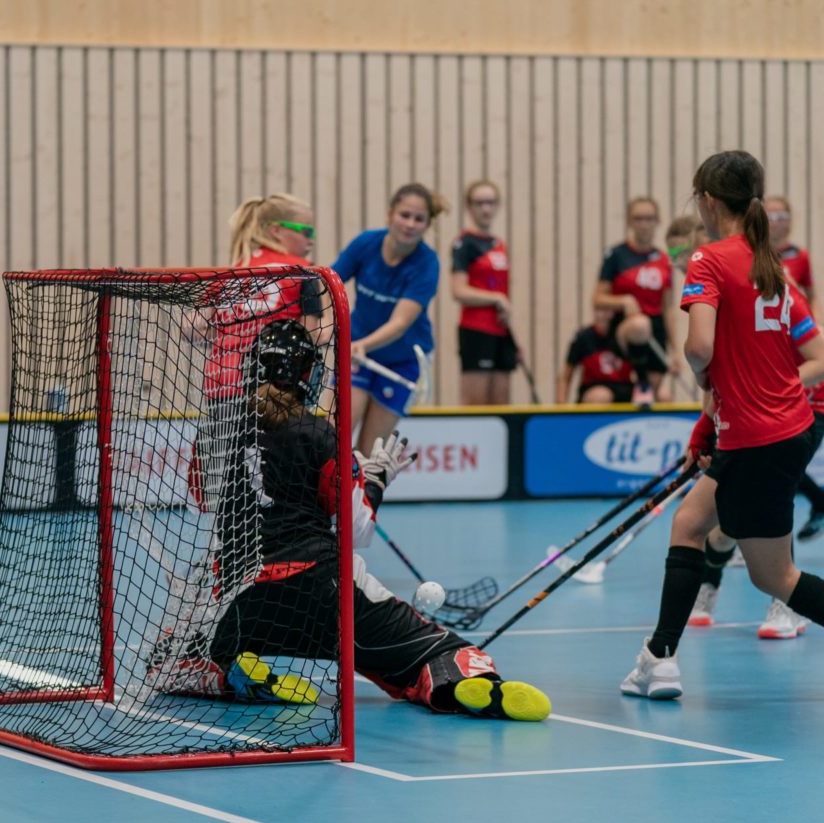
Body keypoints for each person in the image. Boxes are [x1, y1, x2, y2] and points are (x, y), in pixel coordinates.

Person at [621, 150, 824, 701]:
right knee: (691, 523)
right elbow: (818, 356)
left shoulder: (707, 260)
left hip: (756, 438)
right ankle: (660, 658)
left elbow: (699, 346)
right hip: (780, 431)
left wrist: (704, 375)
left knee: (775, 577)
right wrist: (720, 411)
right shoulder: (772, 268)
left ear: (709, 201)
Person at [147, 320, 551, 721]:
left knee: (166, 659)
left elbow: (203, 498)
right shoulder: (322, 433)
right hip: (322, 594)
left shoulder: (219, 429)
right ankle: (457, 679)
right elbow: (357, 530)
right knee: (439, 650)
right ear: (309, 374)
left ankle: (233, 676)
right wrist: (374, 482)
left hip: (242, 598)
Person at [685, 281, 824, 638]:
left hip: (807, 414)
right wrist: (709, 431)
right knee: (727, 524)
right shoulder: (729, 315)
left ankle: (785, 606)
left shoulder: (785, 302)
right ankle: (709, 587)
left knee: (777, 494)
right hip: (754, 419)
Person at [184, 193, 329, 589]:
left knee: (224, 484)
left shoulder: (233, 272)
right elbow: (317, 333)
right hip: (273, 396)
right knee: (278, 480)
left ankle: (223, 562)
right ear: (276, 231)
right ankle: (278, 558)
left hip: (221, 388)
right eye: (306, 230)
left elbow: (192, 328)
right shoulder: (301, 271)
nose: (312, 238)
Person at [333, 183, 446, 453]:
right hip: (359, 354)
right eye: (404, 215)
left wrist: (362, 345)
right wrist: (321, 327)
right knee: (336, 440)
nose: (410, 224)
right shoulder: (366, 244)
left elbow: (399, 324)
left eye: (419, 219)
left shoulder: (427, 263)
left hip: (401, 361)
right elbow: (329, 284)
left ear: (427, 225)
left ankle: (363, 496)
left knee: (369, 453)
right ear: (390, 214)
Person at [593, 197, 678, 407]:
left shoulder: (664, 260)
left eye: (649, 218)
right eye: (638, 218)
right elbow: (597, 299)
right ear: (630, 222)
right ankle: (641, 382)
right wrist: (623, 301)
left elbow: (668, 308)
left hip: (656, 332)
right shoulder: (616, 255)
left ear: (657, 221)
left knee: (651, 398)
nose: (643, 224)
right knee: (640, 325)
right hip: (626, 327)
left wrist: (676, 350)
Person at [450, 180, 516, 405]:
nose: (485, 209)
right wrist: (496, 298)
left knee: (502, 403)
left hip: (501, 331)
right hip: (476, 331)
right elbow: (458, 290)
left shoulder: (499, 244)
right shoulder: (465, 243)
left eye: (490, 202)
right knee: (476, 405)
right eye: (479, 203)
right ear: (469, 207)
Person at [557, 307, 634, 404]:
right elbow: (565, 375)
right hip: (593, 389)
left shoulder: (627, 337)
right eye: (598, 310)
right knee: (601, 396)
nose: (602, 316)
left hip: (624, 389)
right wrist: (561, 405)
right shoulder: (584, 337)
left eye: (607, 311)